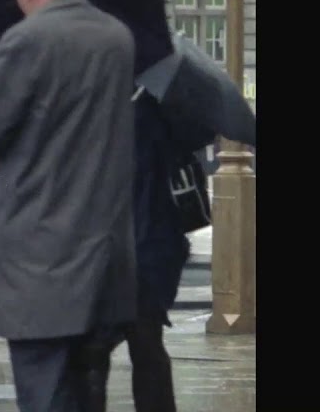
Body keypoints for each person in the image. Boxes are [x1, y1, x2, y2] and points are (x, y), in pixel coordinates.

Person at [0, 0, 138, 412]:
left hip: (40, 257)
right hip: (104, 255)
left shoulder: (28, 38)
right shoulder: (116, 37)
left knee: (45, 391)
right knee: (88, 393)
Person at [118, 91, 191, 412]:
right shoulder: (159, 113)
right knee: (147, 346)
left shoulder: (131, 117)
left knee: (95, 353)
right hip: (152, 248)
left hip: (134, 247)